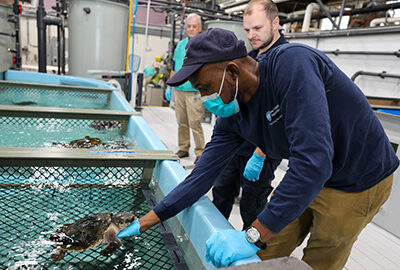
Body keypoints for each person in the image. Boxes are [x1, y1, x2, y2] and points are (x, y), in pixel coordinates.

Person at [117, 23, 398, 270]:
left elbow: (314, 163)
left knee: (318, 260)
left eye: (203, 87)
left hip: (358, 177)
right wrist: (146, 221)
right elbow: (201, 177)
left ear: (231, 71)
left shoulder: (292, 65)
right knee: (266, 251)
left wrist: (252, 235)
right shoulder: (232, 113)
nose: (203, 98)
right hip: (314, 174)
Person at [212, 0, 286, 230]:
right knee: (221, 194)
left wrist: (260, 154)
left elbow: (282, 115)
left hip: (261, 151)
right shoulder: (249, 57)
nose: (251, 35)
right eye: (247, 30)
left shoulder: (286, 61)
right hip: (236, 144)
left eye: (257, 28)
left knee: (252, 207)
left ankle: (251, 258)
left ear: (275, 23)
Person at [166, 13, 205, 164]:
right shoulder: (181, 45)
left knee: (195, 122)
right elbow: (175, 66)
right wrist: (170, 85)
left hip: (194, 90)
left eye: (194, 26)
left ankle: (200, 152)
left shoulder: (203, 45)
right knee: (181, 121)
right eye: (189, 26)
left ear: (200, 28)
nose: (191, 29)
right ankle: (183, 147)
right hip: (179, 89)